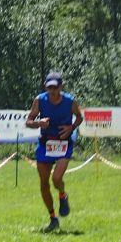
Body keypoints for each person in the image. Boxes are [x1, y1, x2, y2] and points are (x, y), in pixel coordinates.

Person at [25, 72, 84, 232]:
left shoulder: (70, 101)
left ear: (61, 87)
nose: (52, 91)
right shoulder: (39, 100)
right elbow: (28, 121)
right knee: (44, 184)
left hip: (64, 143)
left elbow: (79, 117)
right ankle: (53, 218)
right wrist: (38, 123)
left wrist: (71, 127)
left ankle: (62, 195)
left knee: (56, 179)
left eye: (55, 87)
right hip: (46, 144)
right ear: (46, 87)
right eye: (49, 87)